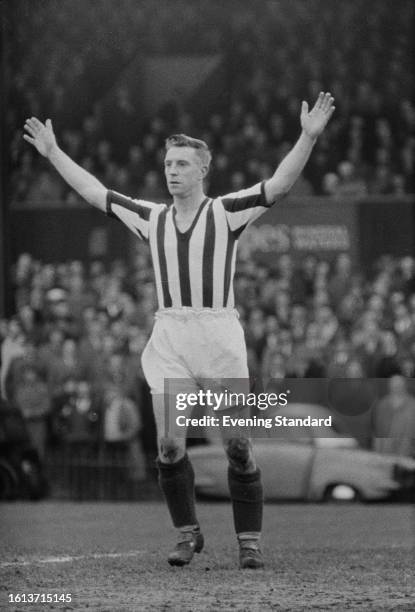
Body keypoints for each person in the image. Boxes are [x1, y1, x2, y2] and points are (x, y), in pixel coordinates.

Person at [23, 91, 335, 569]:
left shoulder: (227, 211)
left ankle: (248, 539)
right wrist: (54, 153)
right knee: (169, 445)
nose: (173, 170)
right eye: (169, 162)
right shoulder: (151, 218)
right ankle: (188, 534)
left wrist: (307, 138)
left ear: (202, 171)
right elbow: (96, 192)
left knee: (236, 445)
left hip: (219, 337)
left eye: (183, 163)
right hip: (170, 336)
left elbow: (280, 185)